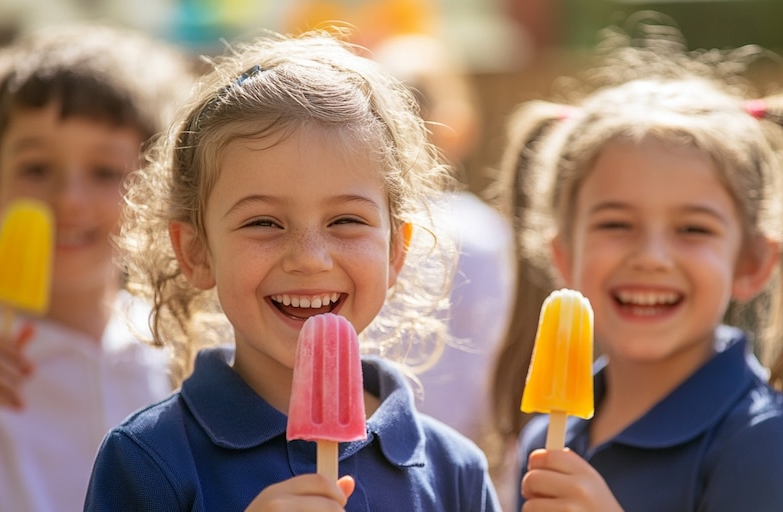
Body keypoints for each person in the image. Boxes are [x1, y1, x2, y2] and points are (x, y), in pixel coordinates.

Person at [82, 29, 501, 511]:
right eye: (263, 222)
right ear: (197, 252)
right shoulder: (148, 462)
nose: (308, 257)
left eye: (345, 220)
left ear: (395, 253)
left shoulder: (455, 474)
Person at [494, 23, 783, 512]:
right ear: (563, 257)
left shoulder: (763, 439)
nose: (651, 256)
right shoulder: (548, 438)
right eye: (616, 224)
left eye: (693, 230)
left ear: (752, 263)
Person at [0, 23, 194, 512]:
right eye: (37, 169)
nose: (69, 200)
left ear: (151, 200)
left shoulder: (169, 350)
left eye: (104, 172)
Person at [371, 33, 516, 445]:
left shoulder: (350, 230)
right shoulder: (486, 235)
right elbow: (496, 364)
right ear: (461, 126)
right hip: (455, 452)